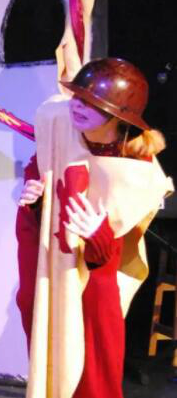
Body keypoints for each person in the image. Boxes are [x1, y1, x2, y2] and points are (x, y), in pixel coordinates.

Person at [15, 57, 173, 398]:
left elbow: (113, 248)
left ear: (118, 115)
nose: (77, 107)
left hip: (97, 280)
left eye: (92, 104)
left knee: (93, 358)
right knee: (43, 327)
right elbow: (39, 169)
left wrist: (99, 234)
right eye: (77, 98)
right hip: (56, 267)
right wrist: (36, 202)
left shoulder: (136, 165)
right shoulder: (61, 131)